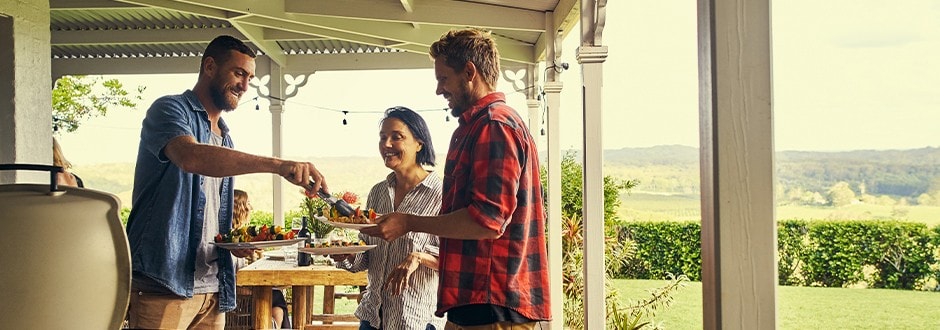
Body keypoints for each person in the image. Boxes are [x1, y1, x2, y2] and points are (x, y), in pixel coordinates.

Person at [125, 35, 329, 329]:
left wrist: (232, 245)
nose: (245, 86)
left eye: (250, 77)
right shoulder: (169, 110)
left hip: (211, 286)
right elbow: (190, 157)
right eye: (238, 73)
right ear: (210, 66)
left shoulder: (225, 135)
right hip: (163, 283)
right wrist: (277, 165)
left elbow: (209, 217)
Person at [361, 28, 551, 329]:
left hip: (494, 305)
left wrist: (408, 221)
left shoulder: (495, 125)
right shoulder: (478, 126)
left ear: (469, 72)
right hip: (473, 303)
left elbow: (487, 221)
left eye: (443, 78)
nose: (439, 90)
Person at [331, 107, 445, 330]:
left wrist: (419, 257)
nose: (387, 144)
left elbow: (455, 261)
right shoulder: (378, 193)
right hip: (372, 317)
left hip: (416, 319)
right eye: (383, 138)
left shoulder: (441, 194)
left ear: (419, 144)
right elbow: (365, 257)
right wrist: (344, 254)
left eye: (397, 137)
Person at [231, 189, 291, 329]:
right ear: (240, 208)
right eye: (248, 204)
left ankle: (272, 325)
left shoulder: (238, 234)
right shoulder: (233, 239)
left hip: (240, 287)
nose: (251, 208)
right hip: (237, 290)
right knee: (275, 296)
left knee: (274, 295)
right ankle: (272, 325)